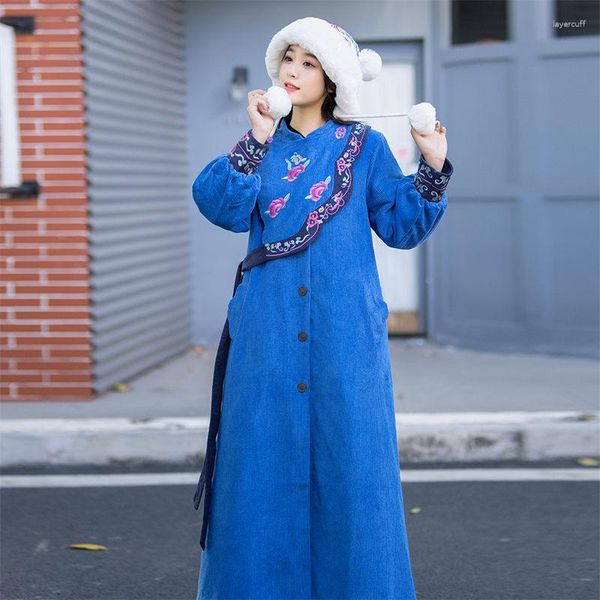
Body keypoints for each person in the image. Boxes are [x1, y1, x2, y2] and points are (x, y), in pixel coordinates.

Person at [191, 16, 454, 600]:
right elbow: (218, 204)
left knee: (353, 468)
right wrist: (255, 137)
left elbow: (401, 225)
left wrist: (431, 165)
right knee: (258, 466)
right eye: (289, 58)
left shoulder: (366, 147)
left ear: (332, 79)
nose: (292, 71)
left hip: (345, 334)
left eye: (309, 63)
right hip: (267, 332)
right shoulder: (261, 144)